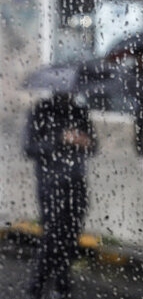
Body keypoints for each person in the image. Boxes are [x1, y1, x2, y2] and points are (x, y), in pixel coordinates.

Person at [24, 92, 98, 299]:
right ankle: (35, 288)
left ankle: (62, 286)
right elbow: (29, 147)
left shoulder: (79, 111)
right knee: (52, 237)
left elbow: (94, 145)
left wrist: (86, 141)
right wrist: (60, 138)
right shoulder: (40, 110)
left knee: (70, 237)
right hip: (50, 184)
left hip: (76, 182)